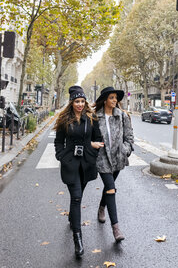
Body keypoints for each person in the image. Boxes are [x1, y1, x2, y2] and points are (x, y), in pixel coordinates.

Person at [54, 86, 104, 258]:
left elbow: (98, 140)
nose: (80, 104)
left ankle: (71, 218)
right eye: (77, 101)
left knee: (78, 196)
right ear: (72, 102)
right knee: (76, 197)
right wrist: (61, 156)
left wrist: (92, 151)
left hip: (86, 163)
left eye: (82, 101)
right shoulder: (64, 120)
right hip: (70, 163)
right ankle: (78, 239)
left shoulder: (91, 118)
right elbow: (59, 142)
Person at [93, 86, 134, 242]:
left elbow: (129, 136)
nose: (115, 100)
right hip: (102, 158)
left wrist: (125, 149)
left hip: (118, 158)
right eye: (111, 97)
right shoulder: (96, 117)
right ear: (105, 100)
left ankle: (102, 207)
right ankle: (116, 229)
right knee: (111, 188)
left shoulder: (122, 116)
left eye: (116, 98)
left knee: (108, 188)